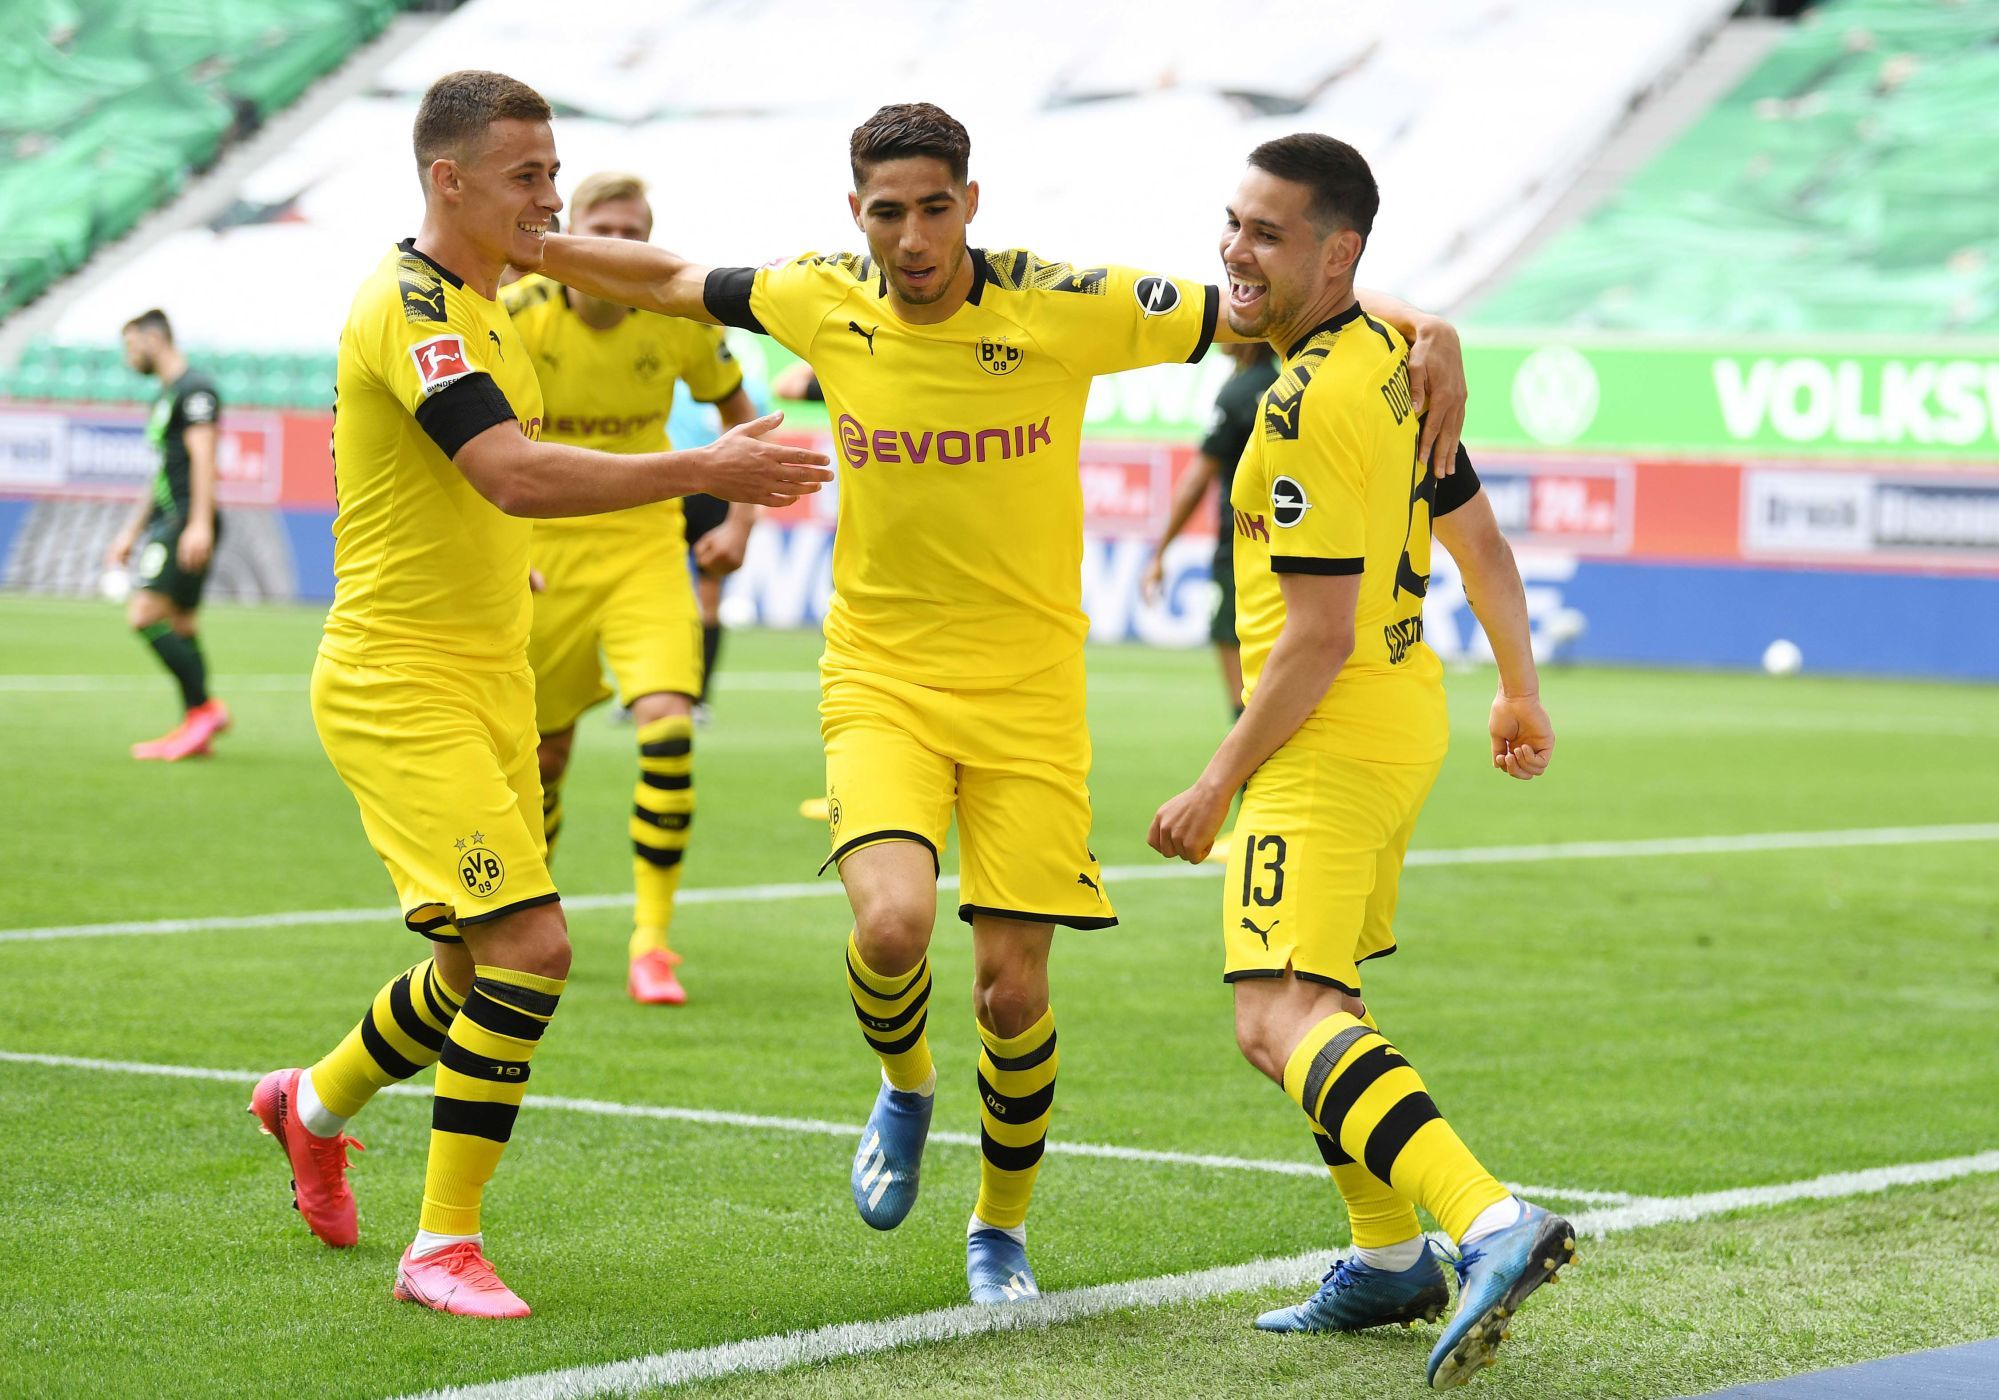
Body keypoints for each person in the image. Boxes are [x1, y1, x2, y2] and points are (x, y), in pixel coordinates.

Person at [535, 101, 1469, 1307]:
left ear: (970, 204)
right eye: (888, 211)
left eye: (935, 207)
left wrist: (1422, 320)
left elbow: (1263, 300)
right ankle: (910, 1083)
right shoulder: (822, 296)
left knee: (1014, 991)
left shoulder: (1061, 303)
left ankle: (999, 1227)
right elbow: (665, 276)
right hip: (881, 676)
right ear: (855, 214)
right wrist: (528, 247)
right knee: (888, 927)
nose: (913, 235)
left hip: (1030, 696)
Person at [245, 70, 829, 1319]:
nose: (550, 200)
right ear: (445, 179)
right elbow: (507, 471)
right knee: (533, 945)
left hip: (490, 670)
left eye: (555, 174)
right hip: (401, 681)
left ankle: (308, 1104)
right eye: (526, 177)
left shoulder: (493, 291)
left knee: (467, 970)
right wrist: (703, 469)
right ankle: (440, 1245)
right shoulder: (412, 305)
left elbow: (654, 282)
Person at [1146, 134, 1565, 1390]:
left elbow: (1313, 636)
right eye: (1233, 222)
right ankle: (1388, 1256)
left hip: (1323, 732)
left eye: (1267, 234)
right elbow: (1479, 540)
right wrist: (1518, 689)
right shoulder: (1394, 361)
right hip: (1402, 713)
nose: (1235, 249)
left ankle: (1487, 1220)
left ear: (1339, 255)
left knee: (1275, 1016)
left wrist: (1216, 777)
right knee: (1323, 999)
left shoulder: (1303, 402)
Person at [502, 171, 759, 1006]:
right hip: (543, 549)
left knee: (667, 726)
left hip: (646, 542)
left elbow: (742, 418)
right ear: (571, 235)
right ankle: (528, 925)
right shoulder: (518, 313)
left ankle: (652, 941)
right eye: (601, 229)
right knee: (544, 757)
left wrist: (741, 523)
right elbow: (461, 439)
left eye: (632, 231)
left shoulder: (675, 317)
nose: (616, 247)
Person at [105, 309, 230, 760]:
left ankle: (204, 710)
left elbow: (203, 456)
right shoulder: (167, 395)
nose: (128, 355)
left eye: (131, 343)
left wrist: (197, 521)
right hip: (171, 519)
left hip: (183, 521)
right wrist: (130, 530)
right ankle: (197, 727)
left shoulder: (196, 390)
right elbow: (163, 468)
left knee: (143, 614)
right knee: (181, 625)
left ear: (153, 338)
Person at [1141, 339, 1280, 716]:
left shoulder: (1236, 394)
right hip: (1293, 546)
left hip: (1241, 548)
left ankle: (1249, 766)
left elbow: (1195, 483)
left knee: (1235, 655)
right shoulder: (1289, 389)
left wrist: (1159, 552)